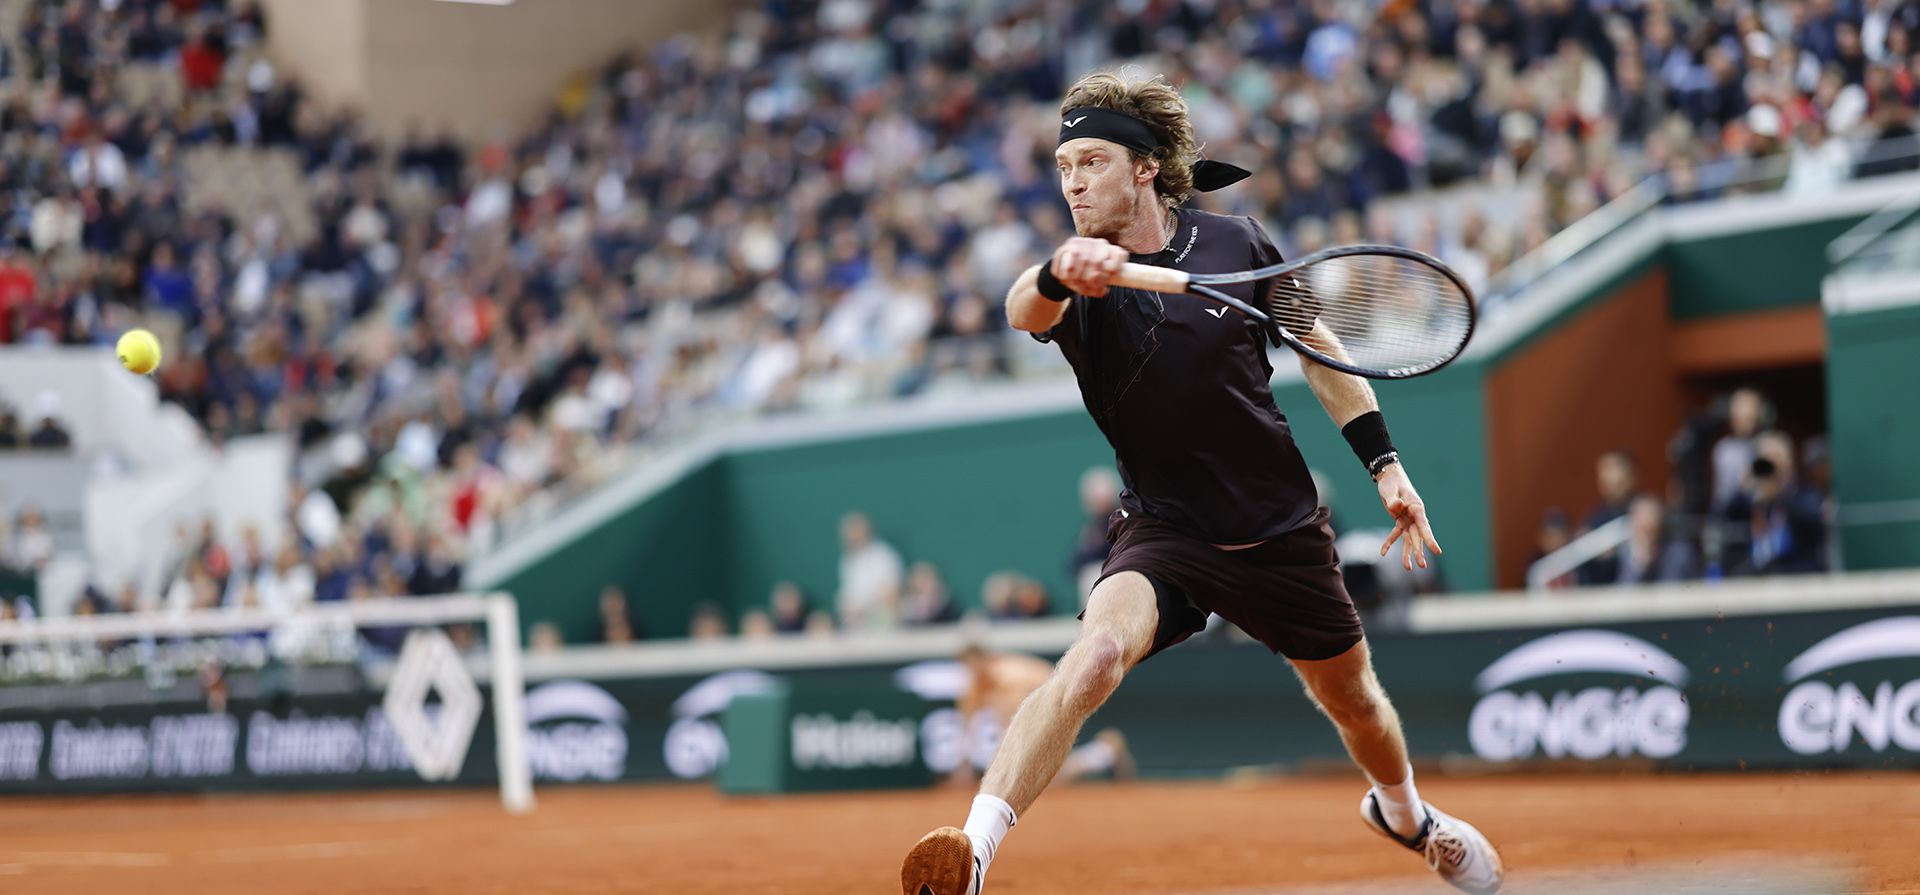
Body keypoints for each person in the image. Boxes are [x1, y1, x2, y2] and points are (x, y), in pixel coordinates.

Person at [901, 72, 1503, 895]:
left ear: (1145, 168)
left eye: (1092, 161)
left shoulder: (1238, 246)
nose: (1072, 182)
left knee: (1356, 702)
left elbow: (1326, 360)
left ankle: (1407, 816)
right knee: (1093, 660)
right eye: (1063, 165)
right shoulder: (1077, 277)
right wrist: (1054, 275)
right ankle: (972, 852)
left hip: (1280, 529)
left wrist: (1387, 467)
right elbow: (1020, 312)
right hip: (1166, 532)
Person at [950, 643, 1133, 787]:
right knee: (1046, 778)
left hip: (1059, 695)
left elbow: (1019, 722)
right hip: (1041, 704)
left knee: (1043, 778)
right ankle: (1106, 752)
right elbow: (967, 724)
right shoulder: (975, 683)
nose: (971, 670)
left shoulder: (1009, 675)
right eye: (966, 666)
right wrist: (963, 768)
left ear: (984, 660)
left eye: (974, 664)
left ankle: (1106, 752)